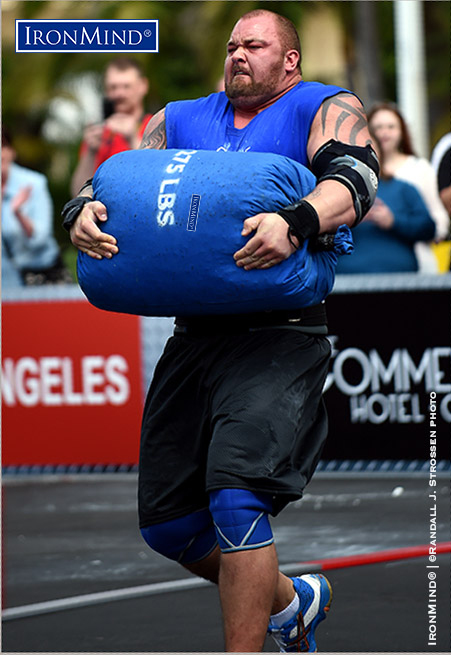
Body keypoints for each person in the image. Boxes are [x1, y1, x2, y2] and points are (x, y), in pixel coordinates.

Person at [62, 10, 379, 652]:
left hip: (280, 336)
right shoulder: (177, 118)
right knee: (170, 526)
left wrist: (296, 221)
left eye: (254, 45)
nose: (237, 53)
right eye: (232, 44)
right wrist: (82, 211)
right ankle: (292, 602)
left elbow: (357, 179)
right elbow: (114, 185)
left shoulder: (323, 104)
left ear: (288, 59)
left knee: (237, 499)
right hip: (196, 334)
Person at [367, 102, 449, 273]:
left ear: (401, 131)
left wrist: (425, 232)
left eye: (391, 126)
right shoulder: (359, 172)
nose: (384, 133)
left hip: (418, 260)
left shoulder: (420, 168)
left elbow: (438, 218)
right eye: (378, 127)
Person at [336, 135, 435, 273]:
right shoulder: (334, 192)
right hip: (346, 282)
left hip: (401, 282)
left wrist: (393, 221)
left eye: (369, 148)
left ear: (379, 154)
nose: (362, 154)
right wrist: (348, 219)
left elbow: (429, 229)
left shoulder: (404, 189)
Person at [70, 57, 152, 196]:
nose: (119, 94)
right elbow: (77, 193)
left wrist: (132, 138)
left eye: (126, 86)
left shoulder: (156, 125)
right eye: (113, 87)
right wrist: (90, 152)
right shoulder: (99, 134)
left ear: (143, 86)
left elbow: (157, 178)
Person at [2, 129, 71, 288]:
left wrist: (18, 213)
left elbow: (40, 240)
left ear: (11, 151)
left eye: (2, 146)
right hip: (7, 285)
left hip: (42, 277)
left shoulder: (34, 183)